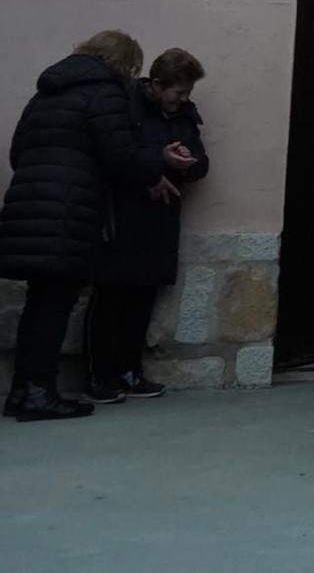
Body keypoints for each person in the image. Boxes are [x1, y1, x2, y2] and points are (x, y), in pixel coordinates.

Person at [1, 31, 190, 421]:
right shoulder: (104, 93)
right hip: (69, 209)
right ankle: (39, 393)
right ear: (124, 63)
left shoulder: (46, 92)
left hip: (29, 203)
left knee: (39, 303)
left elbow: (17, 152)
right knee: (55, 304)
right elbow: (119, 154)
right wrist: (156, 164)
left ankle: (22, 390)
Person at [86, 48, 210, 404]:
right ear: (156, 84)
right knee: (111, 296)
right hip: (123, 214)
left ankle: (130, 370)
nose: (183, 99)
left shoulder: (185, 116)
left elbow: (201, 164)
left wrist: (188, 163)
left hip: (160, 219)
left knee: (142, 299)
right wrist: (159, 159)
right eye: (178, 92)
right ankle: (100, 376)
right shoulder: (125, 106)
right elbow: (116, 154)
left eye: (187, 92)